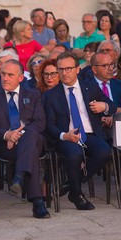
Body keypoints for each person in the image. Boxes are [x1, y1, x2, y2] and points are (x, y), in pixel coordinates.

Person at [44, 52, 117, 210]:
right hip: (66, 137)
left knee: (104, 152)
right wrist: (64, 136)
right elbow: (48, 125)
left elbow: (110, 105)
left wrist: (103, 107)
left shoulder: (89, 87)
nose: (64, 73)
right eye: (61, 69)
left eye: (69, 68)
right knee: (74, 153)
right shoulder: (51, 95)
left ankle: (71, 184)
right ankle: (76, 194)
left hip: (89, 134)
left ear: (77, 69)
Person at [0, 59, 50, 219]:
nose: (5, 78)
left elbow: (40, 122)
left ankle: (19, 176)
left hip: (29, 140)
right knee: (31, 151)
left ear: (20, 78)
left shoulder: (32, 94)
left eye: (10, 75)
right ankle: (37, 201)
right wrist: (7, 135)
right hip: (5, 146)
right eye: (3, 74)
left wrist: (19, 135)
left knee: (31, 136)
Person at [90, 52, 121, 139]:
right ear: (95, 69)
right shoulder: (86, 87)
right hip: (96, 129)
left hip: (118, 124)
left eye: (112, 64)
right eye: (105, 66)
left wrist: (113, 115)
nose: (111, 69)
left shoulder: (119, 85)